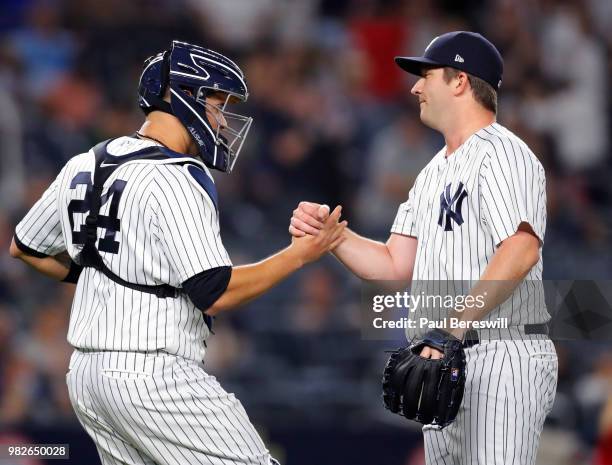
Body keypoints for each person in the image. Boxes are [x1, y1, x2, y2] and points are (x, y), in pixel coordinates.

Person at [9, 40, 346, 465]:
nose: (222, 119)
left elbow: (25, 247)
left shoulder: (85, 163)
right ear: (183, 97)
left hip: (87, 377)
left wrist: (102, 272)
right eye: (217, 104)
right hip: (153, 375)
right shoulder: (179, 177)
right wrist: (300, 254)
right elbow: (216, 292)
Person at [289, 31, 557, 465]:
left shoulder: (505, 153)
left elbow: (521, 248)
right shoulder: (432, 172)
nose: (415, 87)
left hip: (501, 354)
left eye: (425, 75)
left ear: (459, 81)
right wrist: (335, 237)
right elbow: (395, 266)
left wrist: (450, 328)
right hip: (444, 357)